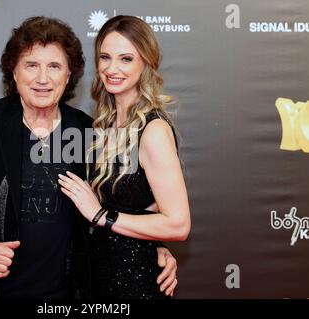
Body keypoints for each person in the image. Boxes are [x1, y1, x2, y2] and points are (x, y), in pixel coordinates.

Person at [0, 16, 178, 299]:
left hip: (63, 297)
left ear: (68, 76)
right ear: (13, 72)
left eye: (54, 66)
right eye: (31, 65)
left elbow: (113, 204)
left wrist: (153, 247)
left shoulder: (89, 131)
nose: (43, 78)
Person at [59, 15, 190, 299]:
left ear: (146, 63)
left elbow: (179, 224)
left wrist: (100, 215)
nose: (112, 68)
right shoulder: (104, 125)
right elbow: (139, 211)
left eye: (126, 59)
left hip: (134, 282)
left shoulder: (152, 130)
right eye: (105, 57)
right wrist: (155, 243)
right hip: (97, 277)